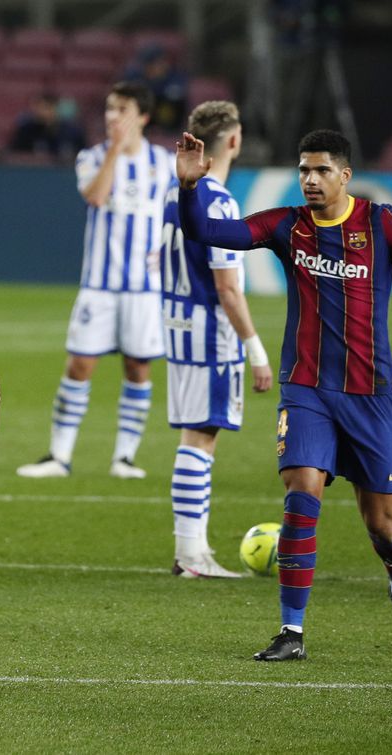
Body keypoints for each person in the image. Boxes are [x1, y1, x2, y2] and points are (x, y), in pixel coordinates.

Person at [176, 128, 392, 660]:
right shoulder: (287, 226)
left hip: (370, 395)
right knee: (301, 492)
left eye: (321, 171)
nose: (310, 180)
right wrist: (188, 188)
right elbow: (202, 231)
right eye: (303, 171)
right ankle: (292, 633)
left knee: (384, 525)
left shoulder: (380, 223)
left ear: (345, 175)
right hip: (307, 389)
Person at [17, 82, 175, 480]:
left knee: (138, 369)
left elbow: (178, 215)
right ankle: (59, 456)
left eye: (121, 109)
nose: (111, 116)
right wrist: (116, 154)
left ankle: (124, 458)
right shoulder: (92, 157)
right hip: (99, 286)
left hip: (144, 287)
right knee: (79, 365)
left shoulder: (165, 163)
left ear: (142, 116)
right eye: (108, 108)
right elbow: (96, 196)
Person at [161, 101, 273, 578]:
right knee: (201, 436)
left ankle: (192, 552)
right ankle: (192, 555)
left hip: (175, 322)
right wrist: (256, 348)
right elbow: (227, 285)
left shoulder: (177, 192)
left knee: (196, 433)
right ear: (235, 139)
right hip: (209, 331)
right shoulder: (221, 201)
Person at [123, 44, 188, 134]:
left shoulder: (175, 76)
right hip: (141, 122)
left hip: (167, 123)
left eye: (156, 63)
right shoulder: (134, 75)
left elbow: (176, 96)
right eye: (149, 64)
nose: (154, 68)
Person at [8, 92, 86, 161]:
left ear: (56, 108)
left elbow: (84, 155)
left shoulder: (73, 131)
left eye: (46, 108)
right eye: (38, 108)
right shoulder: (26, 131)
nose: (41, 112)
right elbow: (14, 155)